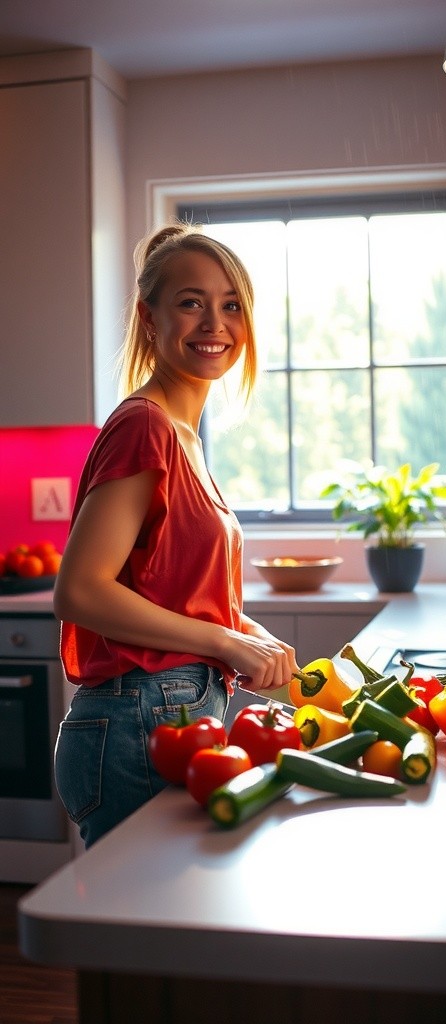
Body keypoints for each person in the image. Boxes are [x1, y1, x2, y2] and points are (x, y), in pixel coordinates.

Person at [53, 224, 298, 848]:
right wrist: (226, 639)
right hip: (138, 722)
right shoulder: (145, 427)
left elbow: (166, 591)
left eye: (231, 305)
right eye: (191, 302)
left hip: (174, 712)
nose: (214, 323)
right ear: (149, 317)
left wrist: (246, 633)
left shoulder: (183, 437)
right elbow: (80, 591)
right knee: (144, 937)